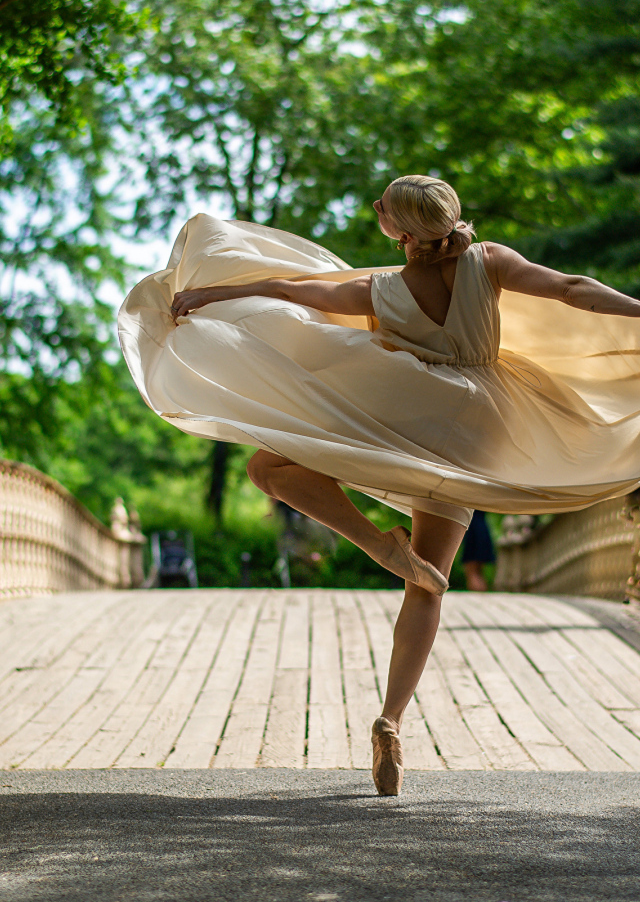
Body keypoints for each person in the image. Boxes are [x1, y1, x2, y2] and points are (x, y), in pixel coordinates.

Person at [119, 175, 640, 796]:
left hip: (407, 415)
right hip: (478, 431)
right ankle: (390, 721)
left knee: (266, 469)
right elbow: (573, 289)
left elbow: (293, 286)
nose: (376, 213)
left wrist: (213, 294)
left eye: (384, 209)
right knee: (428, 589)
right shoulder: (489, 261)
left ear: (401, 230)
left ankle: (377, 544)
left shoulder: (383, 289)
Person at [461, 511, 495, 592]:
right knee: (478, 572)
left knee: (471, 571)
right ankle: (480, 595)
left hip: (473, 531)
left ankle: (477, 594)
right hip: (482, 529)